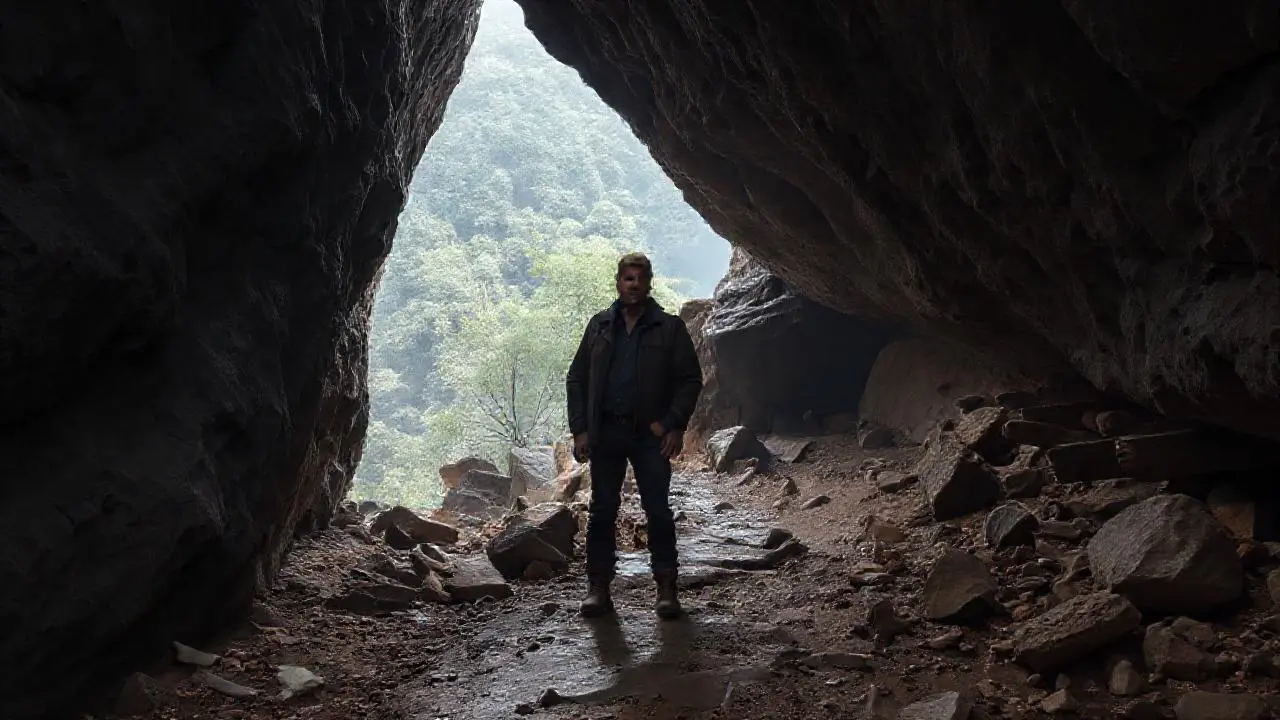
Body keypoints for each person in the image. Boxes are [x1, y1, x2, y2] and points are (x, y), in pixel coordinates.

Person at [565, 252, 703, 619]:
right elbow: (577, 378)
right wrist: (580, 429)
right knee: (602, 511)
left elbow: (690, 380)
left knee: (657, 510)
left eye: (640, 278)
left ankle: (667, 589)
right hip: (607, 432)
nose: (634, 285)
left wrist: (673, 423)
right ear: (618, 282)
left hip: (649, 436)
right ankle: (598, 588)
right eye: (628, 278)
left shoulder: (669, 328)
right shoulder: (599, 326)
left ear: (649, 283)